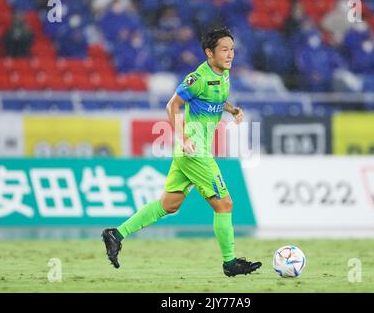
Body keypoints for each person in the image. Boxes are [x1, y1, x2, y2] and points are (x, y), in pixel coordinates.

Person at [102, 26, 262, 277]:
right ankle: (230, 263)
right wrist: (184, 136)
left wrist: (232, 110)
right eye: (224, 50)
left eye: (232, 49)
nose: (230, 55)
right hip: (194, 150)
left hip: (190, 152)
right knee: (224, 204)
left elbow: (216, 100)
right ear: (210, 53)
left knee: (169, 204)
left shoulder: (224, 75)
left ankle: (116, 234)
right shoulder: (197, 79)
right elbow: (172, 105)